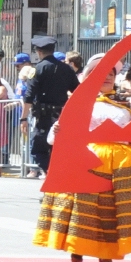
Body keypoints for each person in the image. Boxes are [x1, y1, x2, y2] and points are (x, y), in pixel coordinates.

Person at [33, 55, 131, 262]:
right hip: (87, 159)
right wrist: (57, 132)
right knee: (84, 207)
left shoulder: (123, 106)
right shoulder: (79, 103)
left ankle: (107, 256)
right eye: (102, 73)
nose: (107, 77)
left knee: (110, 210)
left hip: (119, 167)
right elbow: (57, 136)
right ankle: (77, 246)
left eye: (111, 74)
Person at [25, 35, 78, 175]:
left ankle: (50, 176)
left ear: (39, 51)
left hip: (44, 118)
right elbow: (77, 92)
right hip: (62, 117)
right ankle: (56, 178)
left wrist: (23, 118)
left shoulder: (38, 69)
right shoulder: (67, 69)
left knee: (39, 149)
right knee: (58, 150)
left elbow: (29, 96)